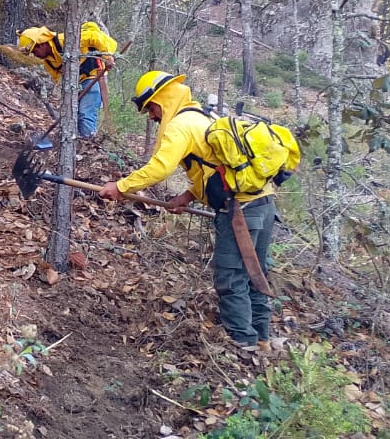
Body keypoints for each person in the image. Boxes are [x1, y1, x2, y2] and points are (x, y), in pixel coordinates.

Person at [97, 70, 277, 355]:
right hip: (264, 204)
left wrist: (120, 186)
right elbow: (215, 167)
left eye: (151, 109)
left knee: (231, 277)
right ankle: (262, 339)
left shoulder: (180, 125)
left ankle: (244, 345)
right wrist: (188, 195)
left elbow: (160, 168)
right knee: (256, 272)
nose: (151, 117)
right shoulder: (202, 117)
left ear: (162, 99)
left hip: (240, 211)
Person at [17, 22, 117, 142]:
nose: (35, 55)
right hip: (74, 86)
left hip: (93, 76)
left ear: (42, 44)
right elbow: (59, 79)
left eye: (34, 51)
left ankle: (87, 143)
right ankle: (76, 144)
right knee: (72, 117)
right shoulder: (48, 62)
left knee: (85, 114)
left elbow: (94, 37)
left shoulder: (64, 40)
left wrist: (108, 57)